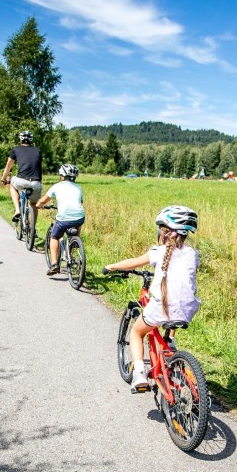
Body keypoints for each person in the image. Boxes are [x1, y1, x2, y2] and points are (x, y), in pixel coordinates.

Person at [103, 206, 199, 390]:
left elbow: (132, 263)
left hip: (162, 307)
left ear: (164, 232)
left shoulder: (158, 252)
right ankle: (170, 343)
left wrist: (111, 267)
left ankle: (139, 373)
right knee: (173, 308)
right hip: (188, 308)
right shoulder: (193, 254)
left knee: (137, 332)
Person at [36, 164, 84, 275]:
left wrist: (39, 205)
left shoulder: (57, 186)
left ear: (62, 176)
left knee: (55, 236)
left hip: (63, 217)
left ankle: (54, 264)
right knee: (78, 221)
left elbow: (43, 201)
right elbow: (80, 202)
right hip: (79, 216)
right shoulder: (78, 188)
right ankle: (75, 242)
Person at [0, 130, 42, 226]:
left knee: (12, 185)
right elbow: (39, 168)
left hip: (21, 181)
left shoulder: (16, 149)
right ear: (31, 140)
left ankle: (17, 209)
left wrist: (4, 178)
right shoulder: (38, 150)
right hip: (36, 183)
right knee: (33, 204)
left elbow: (8, 166)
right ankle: (32, 229)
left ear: (20, 139)